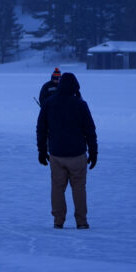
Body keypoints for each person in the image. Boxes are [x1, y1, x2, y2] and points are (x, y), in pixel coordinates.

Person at [36, 72, 98, 229]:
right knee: (79, 189)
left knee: (57, 188)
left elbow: (41, 130)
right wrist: (93, 152)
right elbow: (90, 130)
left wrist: (42, 151)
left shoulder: (49, 103)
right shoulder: (80, 104)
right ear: (75, 87)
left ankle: (58, 221)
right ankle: (81, 221)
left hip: (56, 154)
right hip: (77, 155)